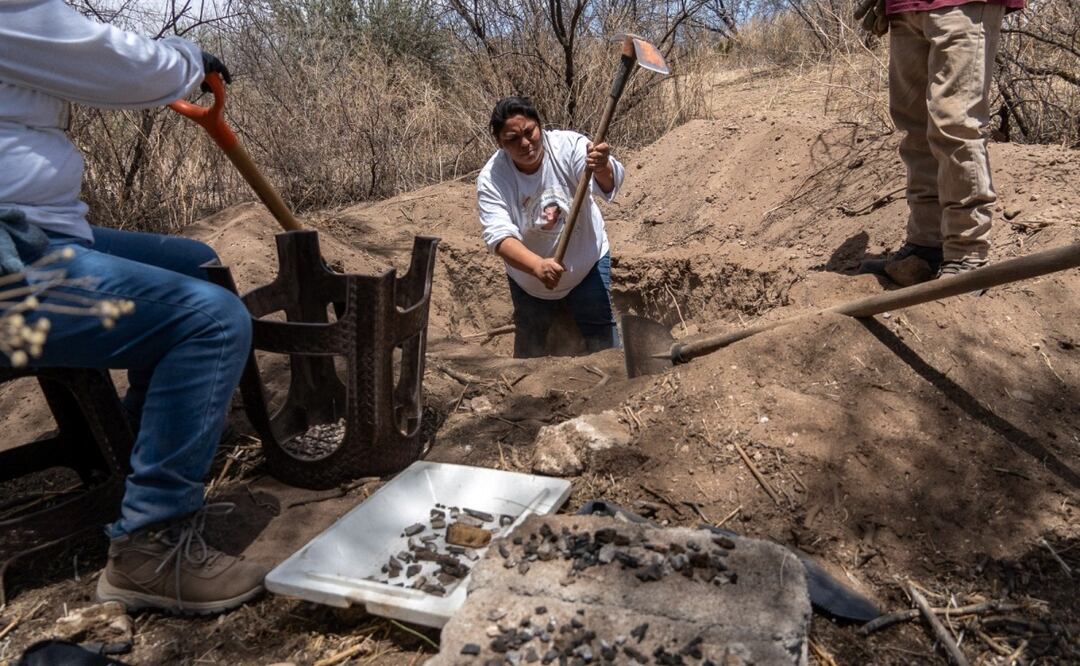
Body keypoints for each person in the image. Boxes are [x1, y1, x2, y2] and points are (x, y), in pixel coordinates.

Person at [0, 0, 265, 613]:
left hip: (37, 235)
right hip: (10, 273)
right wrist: (187, 61)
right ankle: (152, 543)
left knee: (195, 261)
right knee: (212, 322)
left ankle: (146, 447)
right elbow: (110, 63)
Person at [857, 0, 1023, 281]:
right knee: (915, 127)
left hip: (961, 4)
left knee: (955, 123)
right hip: (903, 7)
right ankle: (926, 245)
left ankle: (967, 252)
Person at [477, 97, 624, 358]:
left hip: (586, 262)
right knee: (530, 348)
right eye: (512, 139)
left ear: (540, 126)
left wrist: (601, 166)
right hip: (529, 280)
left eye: (529, 132)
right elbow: (499, 236)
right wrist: (537, 266)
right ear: (499, 143)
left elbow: (607, 181)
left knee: (602, 337)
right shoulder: (493, 178)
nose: (525, 143)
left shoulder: (569, 146)